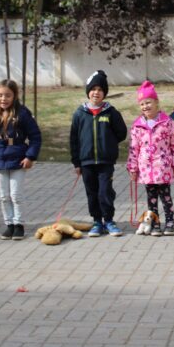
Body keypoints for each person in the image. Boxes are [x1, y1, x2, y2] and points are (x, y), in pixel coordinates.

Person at [0, 80, 41, 240]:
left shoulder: (22, 114)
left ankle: (18, 224)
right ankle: (9, 224)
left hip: (18, 160)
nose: (3, 99)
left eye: (7, 95)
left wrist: (30, 156)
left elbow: (35, 136)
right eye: (0, 95)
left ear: (14, 96)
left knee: (16, 195)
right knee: (4, 196)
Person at [70, 70, 127, 236]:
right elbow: (74, 140)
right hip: (86, 162)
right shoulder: (79, 114)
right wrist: (76, 163)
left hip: (105, 162)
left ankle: (108, 220)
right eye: (93, 89)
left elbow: (121, 133)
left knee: (105, 192)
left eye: (100, 90)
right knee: (92, 193)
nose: (96, 92)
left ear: (105, 93)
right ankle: (97, 221)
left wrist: (108, 144)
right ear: (88, 92)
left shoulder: (111, 112)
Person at [126, 80, 174, 236]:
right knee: (151, 198)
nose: (145, 106)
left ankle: (170, 221)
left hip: (163, 167)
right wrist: (133, 167)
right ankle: (155, 222)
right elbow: (134, 148)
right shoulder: (137, 126)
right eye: (142, 104)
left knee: (165, 196)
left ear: (156, 102)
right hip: (146, 169)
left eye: (148, 102)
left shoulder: (167, 123)